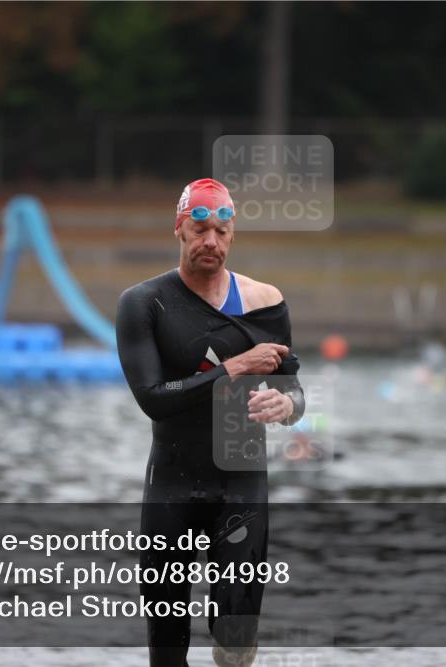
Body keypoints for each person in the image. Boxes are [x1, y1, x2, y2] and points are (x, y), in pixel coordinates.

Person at [115, 178, 305, 667]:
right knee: (167, 648)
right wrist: (235, 367)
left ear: (233, 235)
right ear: (179, 230)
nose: (211, 243)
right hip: (171, 488)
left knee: (236, 643)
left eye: (222, 231)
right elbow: (154, 399)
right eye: (200, 230)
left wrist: (288, 408)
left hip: (240, 485)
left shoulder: (265, 302)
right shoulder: (144, 303)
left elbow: (293, 391)